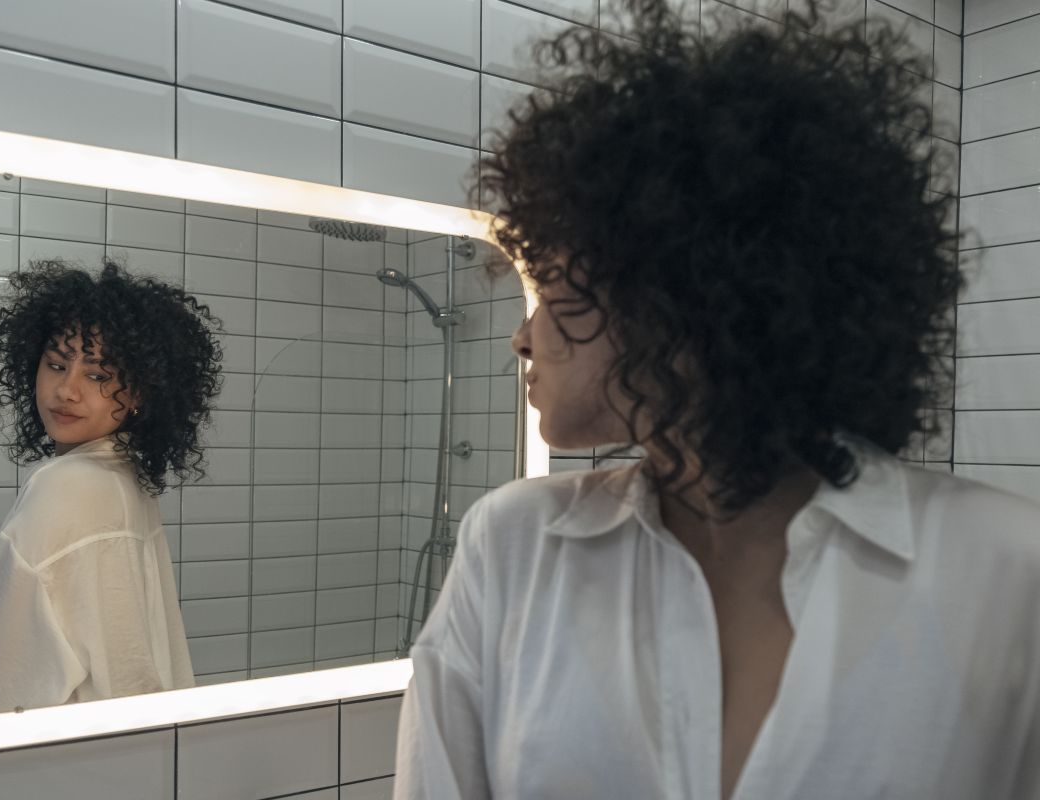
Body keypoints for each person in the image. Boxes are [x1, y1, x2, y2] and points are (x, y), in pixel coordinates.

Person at [394, 2, 1040, 798]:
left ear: (684, 308)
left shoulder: (1010, 572)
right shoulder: (512, 550)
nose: (522, 339)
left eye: (555, 298)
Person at [0, 259, 223, 713]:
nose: (67, 391)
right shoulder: (121, 477)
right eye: (56, 365)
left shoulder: (66, 486)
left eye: (97, 376)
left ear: (137, 393)